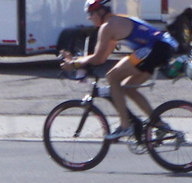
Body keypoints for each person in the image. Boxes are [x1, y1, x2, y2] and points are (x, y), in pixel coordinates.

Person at [61, 0, 178, 140]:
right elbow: (102, 58)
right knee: (128, 88)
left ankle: (125, 126)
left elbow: (98, 59)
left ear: (101, 11)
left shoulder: (108, 27)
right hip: (161, 47)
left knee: (113, 77)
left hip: (155, 48)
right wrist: (77, 60)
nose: (89, 17)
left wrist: (74, 64)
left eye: (91, 13)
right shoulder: (115, 22)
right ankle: (159, 124)